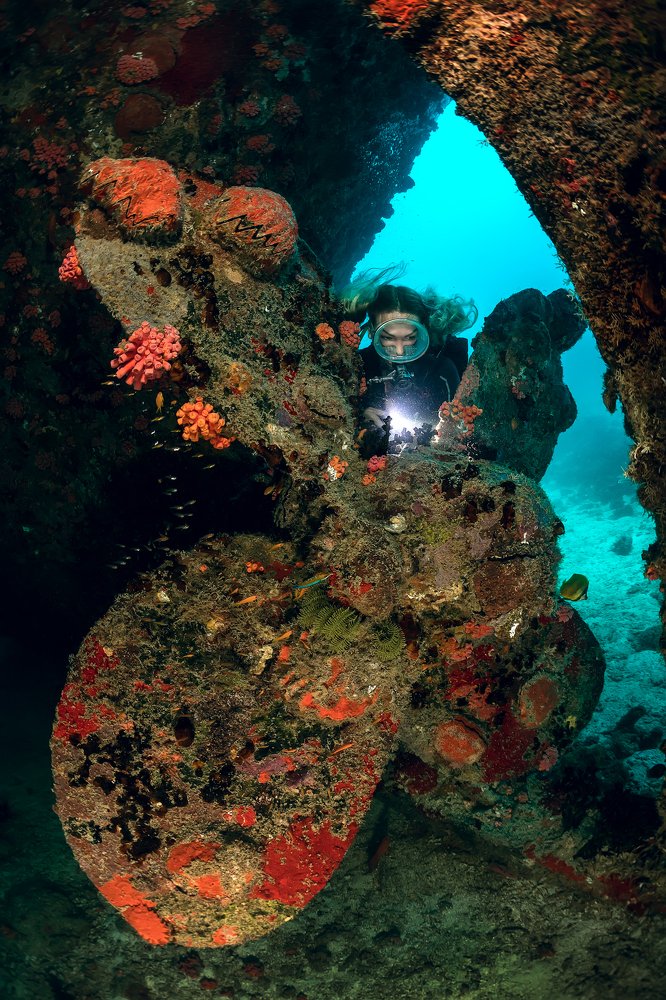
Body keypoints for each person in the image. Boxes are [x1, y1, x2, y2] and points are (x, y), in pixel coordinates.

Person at [341, 272, 477, 456]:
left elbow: (455, 431)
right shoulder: (354, 365)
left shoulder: (442, 370)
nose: (399, 351)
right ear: (373, 331)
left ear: (422, 332)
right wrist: (358, 418)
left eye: (409, 338)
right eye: (388, 338)